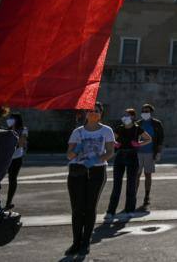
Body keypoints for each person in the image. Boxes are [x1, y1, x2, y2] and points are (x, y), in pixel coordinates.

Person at [65, 102, 115, 256]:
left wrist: (95, 160)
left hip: (96, 171)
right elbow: (69, 155)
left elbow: (110, 152)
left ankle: (85, 243)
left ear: (101, 113)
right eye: (91, 111)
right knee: (77, 209)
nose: (94, 113)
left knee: (90, 207)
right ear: (86, 113)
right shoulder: (77, 132)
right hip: (77, 171)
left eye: (97, 111)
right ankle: (76, 242)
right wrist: (78, 148)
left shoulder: (107, 131)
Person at [105, 108, 151, 220]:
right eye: (124, 115)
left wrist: (139, 144)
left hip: (132, 156)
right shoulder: (119, 128)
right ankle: (110, 211)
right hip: (120, 156)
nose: (125, 117)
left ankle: (130, 210)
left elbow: (149, 139)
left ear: (132, 117)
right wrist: (115, 144)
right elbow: (111, 140)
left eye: (127, 115)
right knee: (117, 185)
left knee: (131, 185)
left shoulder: (137, 129)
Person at [135, 103, 164, 210]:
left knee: (148, 175)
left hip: (150, 153)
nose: (144, 113)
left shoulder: (156, 124)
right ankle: (133, 196)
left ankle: (147, 196)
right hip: (138, 153)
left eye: (147, 111)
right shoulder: (138, 123)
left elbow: (160, 138)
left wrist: (158, 152)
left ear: (151, 112)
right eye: (143, 111)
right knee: (136, 175)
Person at [0, 113, 27, 211]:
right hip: (6, 157)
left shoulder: (23, 130)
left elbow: (20, 143)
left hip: (16, 158)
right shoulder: (7, 130)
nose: (9, 120)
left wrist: (13, 130)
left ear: (16, 120)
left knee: (12, 179)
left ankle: (8, 202)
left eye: (11, 118)